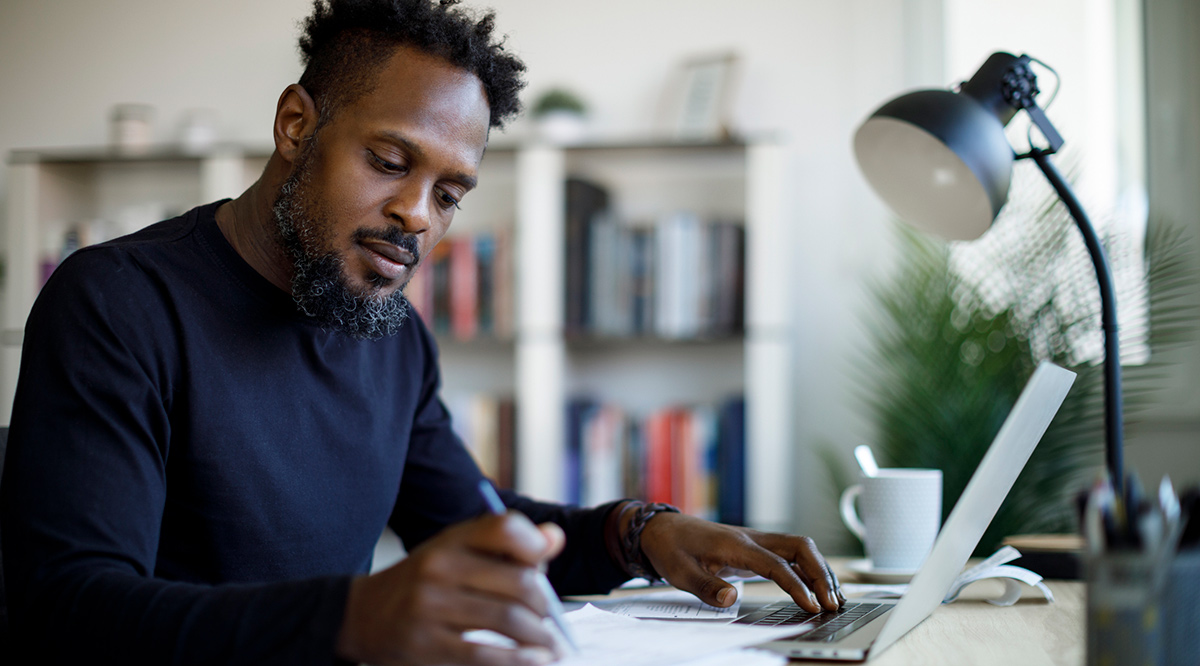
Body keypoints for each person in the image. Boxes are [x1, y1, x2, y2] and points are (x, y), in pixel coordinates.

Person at [0, 1, 843, 664]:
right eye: (391, 162)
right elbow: (71, 610)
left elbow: (473, 528)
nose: (415, 214)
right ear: (297, 125)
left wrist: (641, 533)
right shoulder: (116, 303)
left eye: (449, 194)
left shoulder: (392, 336)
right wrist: (356, 616)